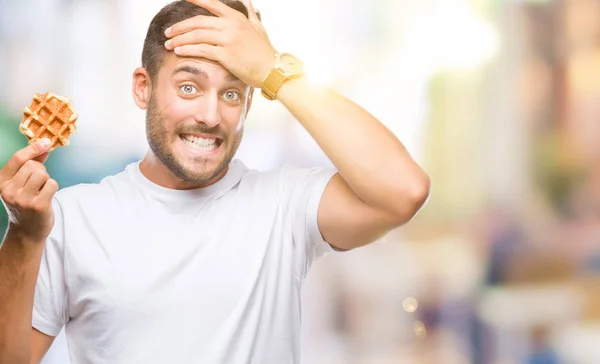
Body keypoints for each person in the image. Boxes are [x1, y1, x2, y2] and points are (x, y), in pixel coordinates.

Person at [0, 0, 430, 363]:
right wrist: (22, 236)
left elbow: (404, 191)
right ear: (143, 88)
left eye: (232, 93)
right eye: (189, 87)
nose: (210, 115)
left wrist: (273, 70)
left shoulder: (284, 205)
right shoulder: (73, 218)